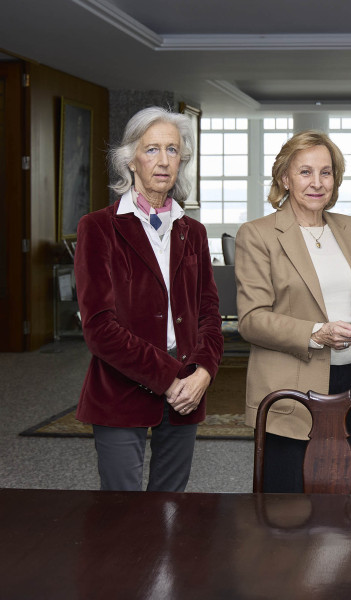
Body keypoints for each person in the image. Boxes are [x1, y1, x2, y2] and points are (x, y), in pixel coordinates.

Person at [235, 130, 351, 493]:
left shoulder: (347, 227)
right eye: (305, 172)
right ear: (284, 178)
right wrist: (316, 332)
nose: (317, 183)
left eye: (326, 172)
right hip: (293, 386)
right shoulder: (257, 234)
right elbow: (251, 319)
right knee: (289, 507)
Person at [74, 107, 223, 492]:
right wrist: (168, 376)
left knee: (172, 506)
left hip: (187, 390)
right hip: (121, 389)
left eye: (172, 150)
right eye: (151, 149)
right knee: (122, 514)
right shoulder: (98, 228)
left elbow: (209, 313)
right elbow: (99, 329)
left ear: (182, 160)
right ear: (131, 160)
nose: (162, 160)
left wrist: (203, 372)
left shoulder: (194, 231)